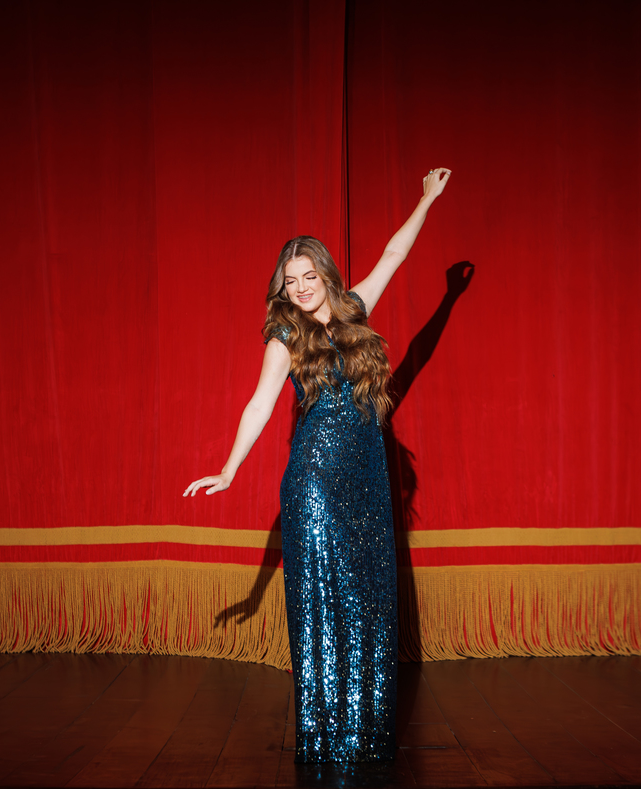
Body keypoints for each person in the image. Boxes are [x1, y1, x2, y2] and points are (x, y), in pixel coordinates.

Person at [184, 168, 452, 763]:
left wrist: (426, 201)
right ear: (283, 286)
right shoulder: (285, 333)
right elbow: (260, 403)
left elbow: (393, 255)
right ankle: (327, 731)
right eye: (292, 280)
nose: (302, 288)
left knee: (369, 597)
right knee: (325, 601)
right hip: (315, 481)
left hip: (368, 477)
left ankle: (366, 728)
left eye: (310, 276)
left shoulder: (354, 307)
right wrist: (229, 468)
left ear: (325, 275)